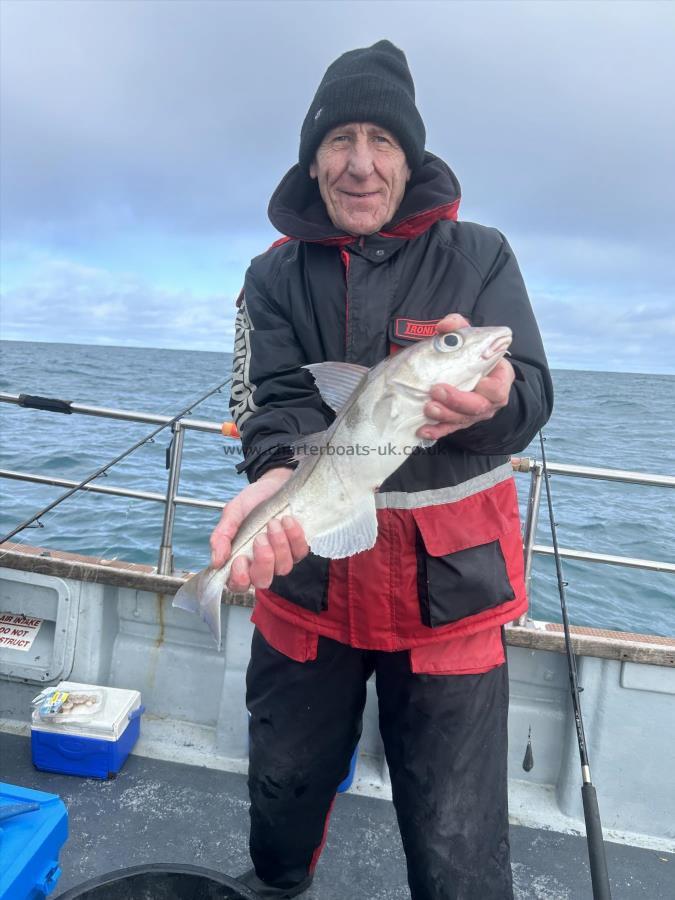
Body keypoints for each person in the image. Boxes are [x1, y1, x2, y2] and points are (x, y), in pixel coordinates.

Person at [212, 40, 553, 900]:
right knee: (280, 796)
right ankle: (278, 883)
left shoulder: (480, 255)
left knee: (456, 844)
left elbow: (533, 394)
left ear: (410, 156)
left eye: (382, 141)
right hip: (310, 567)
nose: (359, 164)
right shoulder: (271, 273)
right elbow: (274, 398)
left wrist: (499, 400)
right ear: (311, 156)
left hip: (451, 590)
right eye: (339, 141)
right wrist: (277, 470)